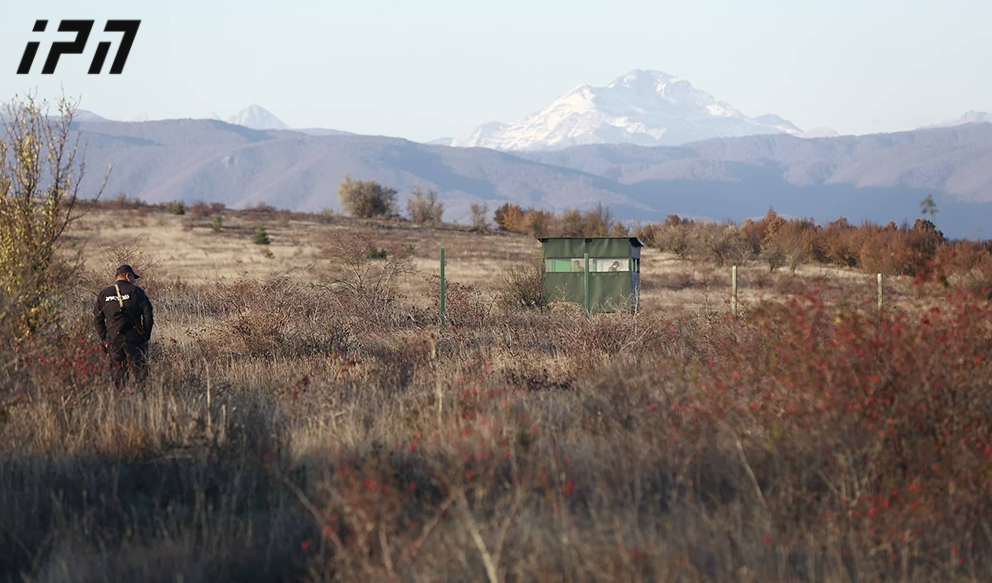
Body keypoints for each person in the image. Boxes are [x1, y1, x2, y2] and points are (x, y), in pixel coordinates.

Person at [94, 265, 154, 389]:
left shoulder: (104, 294)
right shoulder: (136, 291)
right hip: (134, 340)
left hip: (113, 341)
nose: (133, 281)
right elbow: (148, 314)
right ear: (128, 276)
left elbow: (97, 319)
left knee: (118, 376)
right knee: (140, 375)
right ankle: (142, 400)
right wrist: (145, 335)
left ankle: (120, 401)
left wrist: (105, 338)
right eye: (133, 278)